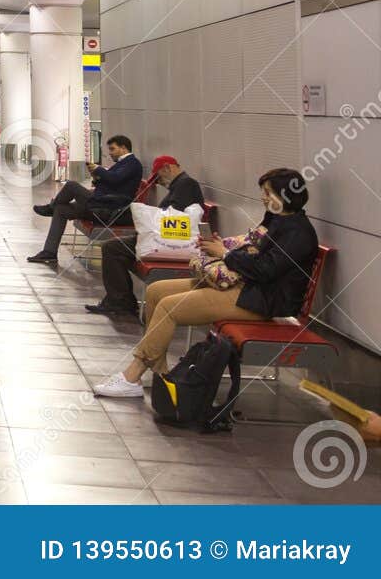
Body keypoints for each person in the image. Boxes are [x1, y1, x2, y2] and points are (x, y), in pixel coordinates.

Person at [92, 167, 318, 398]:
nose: (263, 197)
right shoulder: (277, 220)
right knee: (156, 291)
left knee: (169, 308)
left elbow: (265, 269)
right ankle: (160, 373)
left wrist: (226, 254)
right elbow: (252, 250)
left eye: (269, 193)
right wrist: (226, 248)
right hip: (247, 287)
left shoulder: (298, 233)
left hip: (261, 300)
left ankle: (133, 375)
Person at [85, 154, 204, 317]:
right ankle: (120, 300)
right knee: (115, 248)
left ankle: (120, 301)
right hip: (167, 238)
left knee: (111, 248)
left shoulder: (186, 184)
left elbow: (172, 216)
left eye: (158, 177)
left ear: (167, 168)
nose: (158, 182)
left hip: (169, 241)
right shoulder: (181, 185)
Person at [26, 135, 143, 267]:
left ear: (123, 148)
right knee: (61, 210)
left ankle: (51, 207)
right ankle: (49, 252)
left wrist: (98, 169)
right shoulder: (121, 164)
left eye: (112, 149)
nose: (110, 153)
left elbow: (115, 179)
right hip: (100, 205)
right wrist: (97, 177)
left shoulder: (133, 164)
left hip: (109, 209)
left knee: (71, 186)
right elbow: (111, 183)